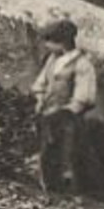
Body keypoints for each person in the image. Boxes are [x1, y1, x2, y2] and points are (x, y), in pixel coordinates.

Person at [31, 18, 98, 196]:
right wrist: (40, 98)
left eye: (50, 42)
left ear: (62, 42)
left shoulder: (82, 64)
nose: (47, 46)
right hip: (48, 114)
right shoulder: (53, 60)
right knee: (46, 152)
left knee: (66, 155)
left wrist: (68, 110)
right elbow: (41, 83)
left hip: (67, 119)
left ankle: (68, 193)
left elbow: (84, 96)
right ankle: (48, 189)